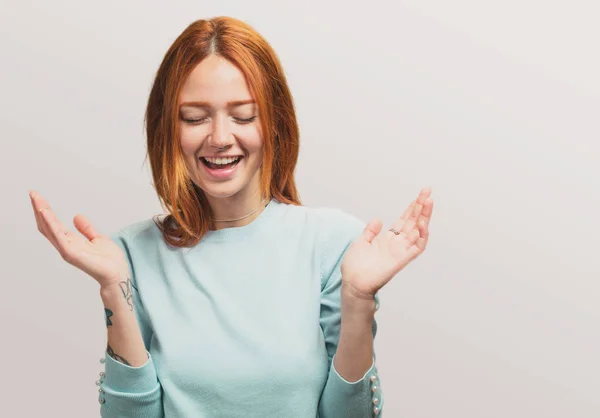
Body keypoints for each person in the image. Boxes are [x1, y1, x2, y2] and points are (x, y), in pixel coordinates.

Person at [29, 16, 433, 418]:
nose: (220, 137)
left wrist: (359, 301)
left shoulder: (334, 244)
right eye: (194, 117)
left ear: (273, 124)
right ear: (167, 127)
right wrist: (115, 289)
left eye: (242, 115)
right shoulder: (129, 256)